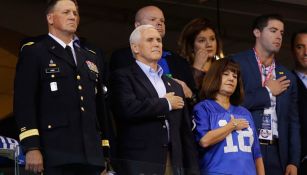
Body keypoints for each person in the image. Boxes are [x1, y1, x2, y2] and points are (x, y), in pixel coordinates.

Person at [14, 0, 110, 174]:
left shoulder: (90, 56)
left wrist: (104, 151)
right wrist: (31, 147)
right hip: (55, 151)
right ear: (50, 18)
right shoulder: (35, 52)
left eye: (75, 13)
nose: (73, 16)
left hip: (91, 155)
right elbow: (24, 102)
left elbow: (99, 107)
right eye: (66, 12)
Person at [109, 25, 199, 175]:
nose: (157, 43)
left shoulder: (175, 85)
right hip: (140, 160)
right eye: (150, 40)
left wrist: (193, 170)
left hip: (173, 161)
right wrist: (165, 103)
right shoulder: (123, 76)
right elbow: (126, 108)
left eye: (159, 40)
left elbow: (185, 132)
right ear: (135, 48)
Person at [230, 14, 300, 175]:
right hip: (245, 147)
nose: (278, 37)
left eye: (281, 33)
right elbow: (230, 104)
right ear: (257, 32)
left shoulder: (287, 76)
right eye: (273, 30)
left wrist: (293, 161)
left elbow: (293, 122)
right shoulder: (237, 62)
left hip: (278, 151)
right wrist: (267, 92)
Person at [193, 58, 265, 175]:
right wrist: (232, 126)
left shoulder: (244, 113)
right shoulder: (203, 108)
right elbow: (204, 141)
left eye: (235, 76)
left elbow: (256, 154)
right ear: (214, 77)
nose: (231, 78)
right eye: (226, 74)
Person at [110, 5, 196, 101]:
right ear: (137, 25)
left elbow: (195, 97)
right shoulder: (122, 57)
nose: (159, 23)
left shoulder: (179, 61)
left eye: (162, 21)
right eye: (153, 19)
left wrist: (191, 95)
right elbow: (121, 99)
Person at [178, 17, 222, 90]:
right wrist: (197, 67)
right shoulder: (182, 69)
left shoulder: (222, 69)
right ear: (191, 46)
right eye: (202, 40)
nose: (209, 44)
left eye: (212, 39)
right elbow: (189, 95)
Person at [291, 29, 307, 175]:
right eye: (300, 47)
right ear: (292, 51)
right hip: (299, 162)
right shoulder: (286, 83)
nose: (306, 52)